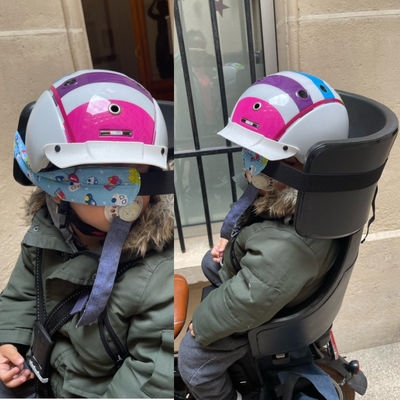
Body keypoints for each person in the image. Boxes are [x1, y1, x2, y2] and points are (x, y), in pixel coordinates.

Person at [0, 70, 174, 398]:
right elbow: (22, 294)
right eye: (105, 180)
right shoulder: (44, 235)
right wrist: (9, 339)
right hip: (43, 375)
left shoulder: (157, 278)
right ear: (58, 186)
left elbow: (149, 382)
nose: (128, 197)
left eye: (138, 173)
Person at [178, 71, 350, 400]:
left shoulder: (290, 247)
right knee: (208, 262)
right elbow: (257, 215)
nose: (249, 165)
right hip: (269, 279)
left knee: (193, 360)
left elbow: (251, 299)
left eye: (258, 157)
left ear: (298, 166)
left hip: (268, 303)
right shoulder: (306, 198)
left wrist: (203, 324)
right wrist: (232, 242)